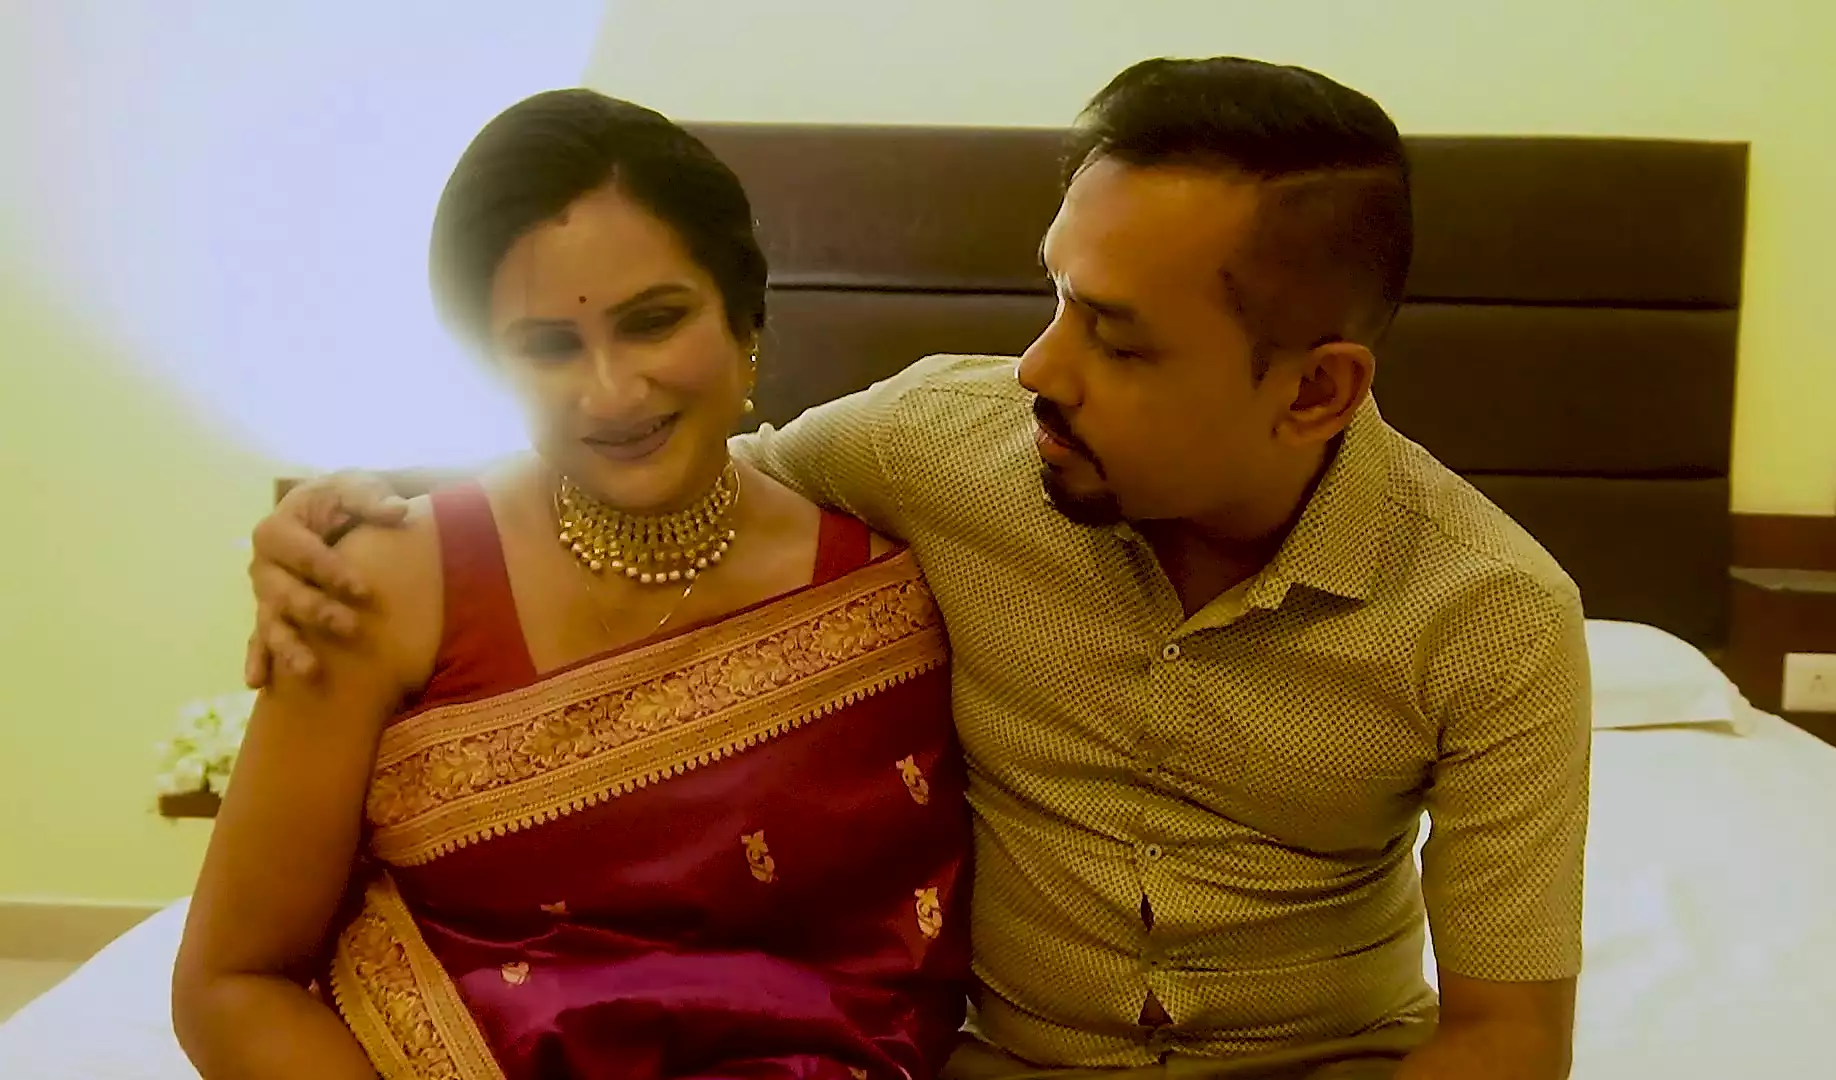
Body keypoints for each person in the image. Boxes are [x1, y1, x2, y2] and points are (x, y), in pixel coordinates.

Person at [242, 58, 1589, 1080]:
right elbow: (676, 465)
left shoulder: (1492, 617)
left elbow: (1508, 1036)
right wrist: (380, 519)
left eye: (1118, 340)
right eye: (1055, 297)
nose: (1041, 367)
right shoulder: (943, 442)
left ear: (1316, 392)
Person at [171, 89, 974, 1080]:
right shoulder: (377, 587)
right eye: (548, 346)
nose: (611, 391)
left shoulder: (889, 597)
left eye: (655, 322)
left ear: (745, 321)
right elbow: (230, 982)